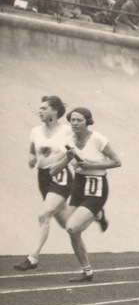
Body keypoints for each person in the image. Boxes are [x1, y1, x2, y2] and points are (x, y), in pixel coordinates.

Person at [59, 107, 122, 282]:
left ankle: (97, 213)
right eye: (72, 120)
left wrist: (92, 165)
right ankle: (87, 272)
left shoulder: (97, 139)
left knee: (72, 228)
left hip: (96, 187)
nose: (75, 123)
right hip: (78, 186)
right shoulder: (67, 141)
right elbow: (69, 163)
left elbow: (117, 161)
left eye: (79, 120)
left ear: (87, 122)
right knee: (69, 227)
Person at [14, 96, 75, 272]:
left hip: (60, 176)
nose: (39, 111)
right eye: (39, 108)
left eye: (44, 108)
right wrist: (31, 159)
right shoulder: (35, 131)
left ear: (54, 111)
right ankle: (97, 215)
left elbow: (73, 151)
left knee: (44, 215)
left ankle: (33, 258)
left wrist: (63, 159)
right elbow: (32, 150)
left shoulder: (66, 131)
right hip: (43, 178)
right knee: (67, 224)